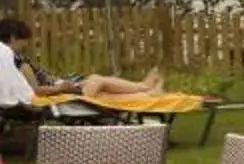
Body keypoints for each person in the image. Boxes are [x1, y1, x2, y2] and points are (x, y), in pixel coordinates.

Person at [0, 18, 167, 103]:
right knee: (96, 80)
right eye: (25, 40)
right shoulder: (19, 63)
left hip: (59, 88)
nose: (27, 44)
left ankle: (146, 92)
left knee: (103, 93)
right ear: (14, 38)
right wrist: (61, 88)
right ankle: (145, 88)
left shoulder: (8, 61)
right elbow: (37, 91)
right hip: (55, 95)